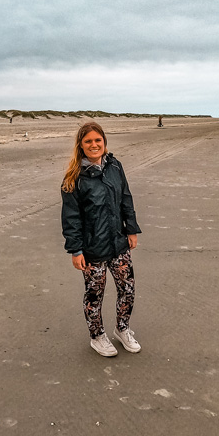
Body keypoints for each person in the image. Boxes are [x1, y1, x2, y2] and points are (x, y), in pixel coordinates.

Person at [60, 122, 143, 357]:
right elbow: (71, 219)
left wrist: (132, 230)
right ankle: (97, 336)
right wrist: (76, 250)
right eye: (88, 141)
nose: (94, 145)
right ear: (81, 146)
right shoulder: (74, 178)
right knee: (94, 295)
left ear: (104, 142)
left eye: (98, 140)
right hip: (92, 248)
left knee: (127, 289)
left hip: (118, 243)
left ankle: (122, 329)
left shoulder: (115, 166)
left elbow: (126, 198)